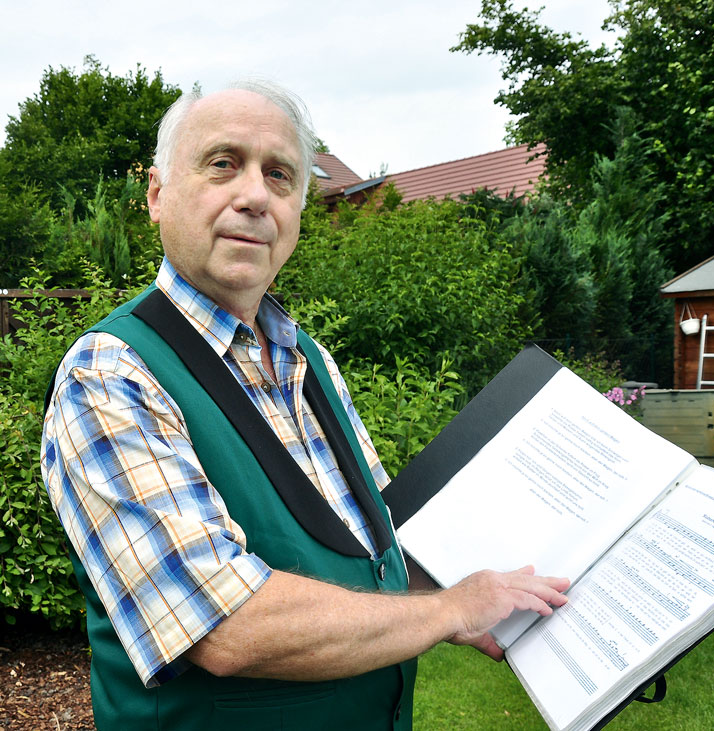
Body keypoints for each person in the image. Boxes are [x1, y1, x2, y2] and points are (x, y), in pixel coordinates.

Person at [41, 80, 569, 730]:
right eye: (223, 164)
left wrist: (513, 589)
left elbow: (382, 554)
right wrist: (452, 610)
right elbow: (224, 626)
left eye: (281, 175)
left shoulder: (307, 358)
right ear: (156, 194)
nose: (255, 195)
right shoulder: (112, 371)